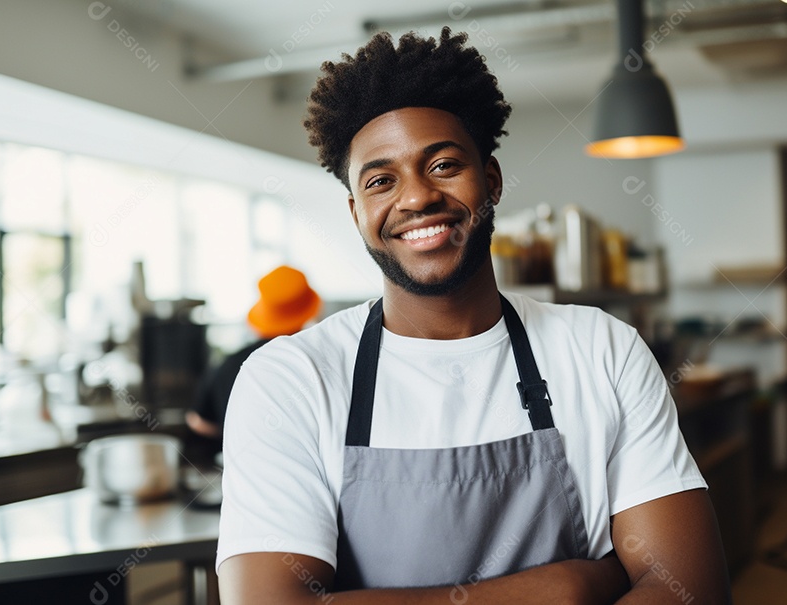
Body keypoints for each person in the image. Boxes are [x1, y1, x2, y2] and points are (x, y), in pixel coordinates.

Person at [217, 28, 731, 604]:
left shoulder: (603, 350)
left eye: (441, 165)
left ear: (490, 180)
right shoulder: (289, 380)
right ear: (355, 210)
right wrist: (562, 588)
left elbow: (691, 591)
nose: (416, 198)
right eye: (381, 180)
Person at [185, 265, 321, 439]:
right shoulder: (311, 364)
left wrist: (232, 437)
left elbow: (197, 421)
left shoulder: (231, 362)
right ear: (310, 313)